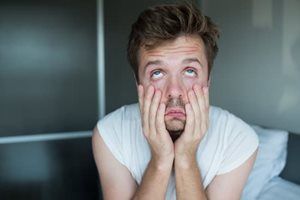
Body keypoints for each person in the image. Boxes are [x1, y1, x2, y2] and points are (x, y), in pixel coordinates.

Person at [92, 3, 258, 200]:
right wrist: (160, 161)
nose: (174, 91)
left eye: (189, 71)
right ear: (138, 82)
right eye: (157, 73)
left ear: (208, 79)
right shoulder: (110, 133)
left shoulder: (238, 138)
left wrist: (186, 157)